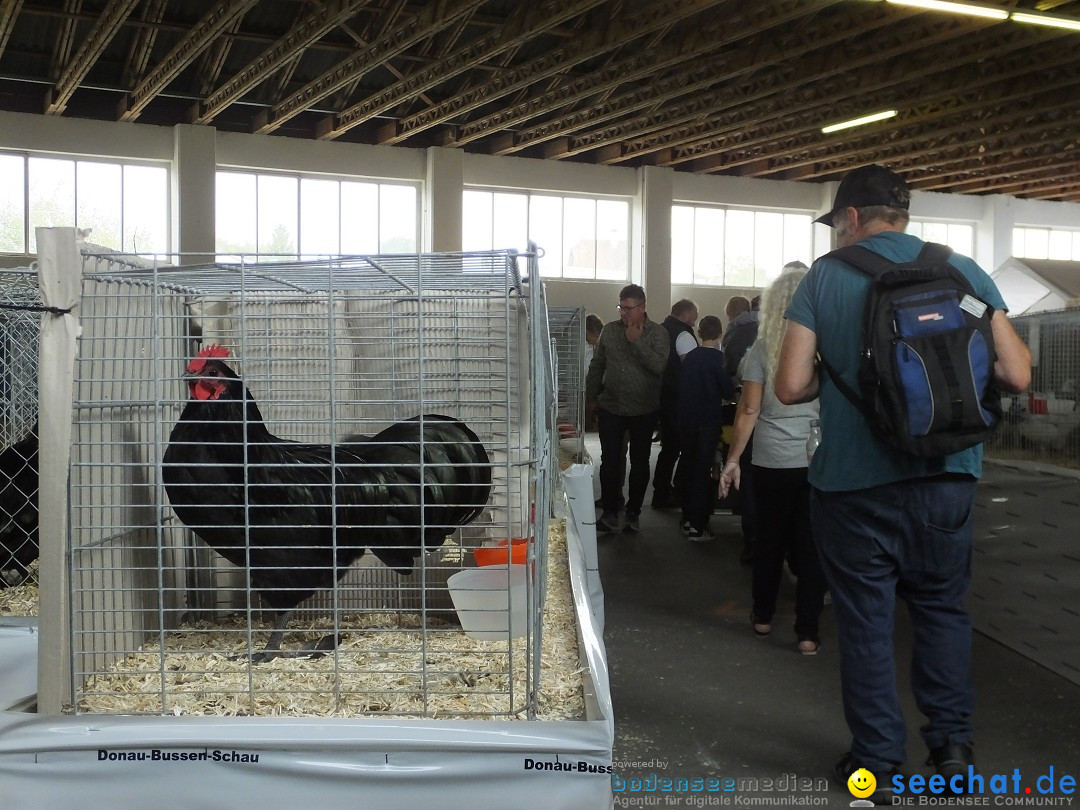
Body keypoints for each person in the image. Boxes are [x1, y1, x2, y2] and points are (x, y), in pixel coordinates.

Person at [775, 164, 1031, 803]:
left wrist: (844, 377)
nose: (836, 235)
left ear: (853, 218)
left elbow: (788, 385)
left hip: (854, 486)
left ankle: (878, 768)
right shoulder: (964, 271)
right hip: (947, 478)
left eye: (837, 224)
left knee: (866, 623)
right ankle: (952, 754)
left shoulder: (825, 279)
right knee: (942, 610)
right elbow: (1018, 374)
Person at [718, 265, 826, 655]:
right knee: (811, 545)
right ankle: (808, 632)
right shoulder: (826, 346)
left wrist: (733, 459)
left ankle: (763, 617)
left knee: (769, 541)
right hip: (818, 461)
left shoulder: (762, 349)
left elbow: (748, 410)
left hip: (770, 461)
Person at [586, 284, 669, 534]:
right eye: (621, 307)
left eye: (628, 308)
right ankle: (610, 511)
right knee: (609, 461)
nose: (623, 313)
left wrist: (636, 343)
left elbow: (659, 367)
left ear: (642, 308)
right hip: (611, 406)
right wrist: (591, 397)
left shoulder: (658, 333)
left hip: (644, 409)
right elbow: (598, 364)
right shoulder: (610, 331)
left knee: (640, 462)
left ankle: (634, 512)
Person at [675, 315, 734, 541]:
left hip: (687, 419)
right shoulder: (719, 359)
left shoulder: (690, 358)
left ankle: (687, 517)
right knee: (703, 471)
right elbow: (728, 392)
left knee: (688, 466)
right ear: (720, 334)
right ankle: (698, 526)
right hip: (708, 421)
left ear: (699, 334)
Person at [651, 299, 700, 509]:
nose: (696, 320)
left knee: (669, 447)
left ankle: (661, 490)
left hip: (661, 397)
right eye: (694, 315)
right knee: (679, 447)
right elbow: (691, 371)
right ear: (687, 313)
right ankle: (669, 492)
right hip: (679, 400)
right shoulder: (684, 335)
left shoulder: (661, 330)